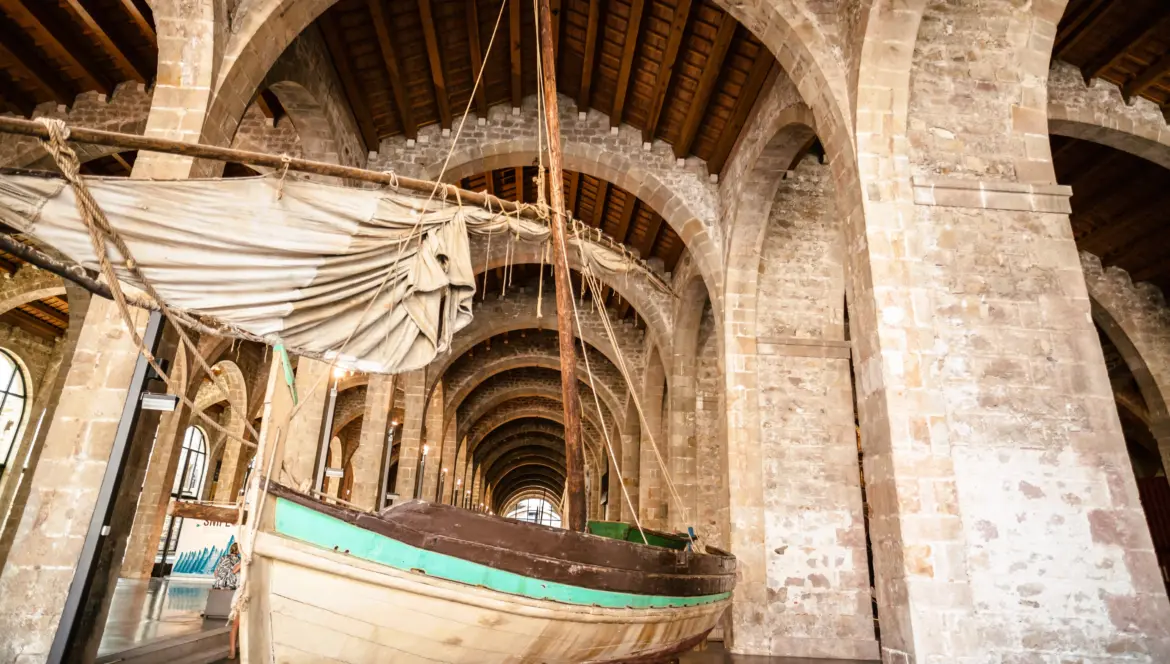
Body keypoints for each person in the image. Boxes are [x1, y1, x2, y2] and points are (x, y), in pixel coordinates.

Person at [213, 542, 244, 658]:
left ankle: (232, 651)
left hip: (220, 583)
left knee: (236, 624)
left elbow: (215, 573)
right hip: (239, 590)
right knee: (236, 623)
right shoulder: (240, 560)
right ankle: (232, 651)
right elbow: (234, 571)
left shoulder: (223, 557)